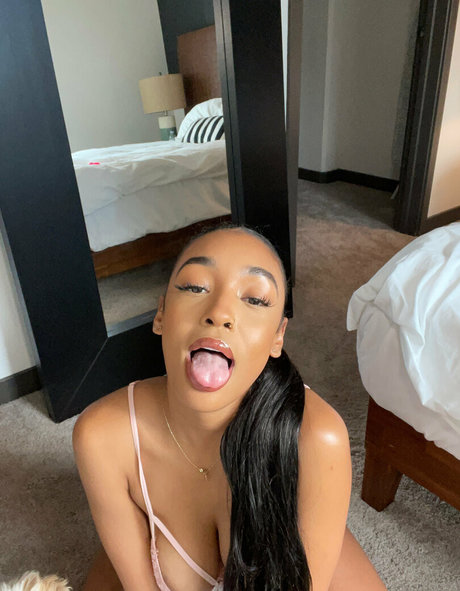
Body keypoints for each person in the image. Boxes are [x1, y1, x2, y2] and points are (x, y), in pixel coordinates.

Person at [73, 225, 387, 591]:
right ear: (161, 314)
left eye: (255, 299)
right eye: (195, 287)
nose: (220, 312)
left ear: (278, 337)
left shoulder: (317, 440)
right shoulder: (102, 436)